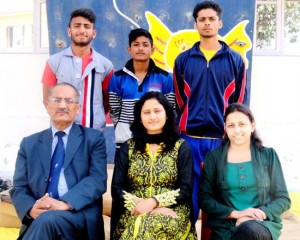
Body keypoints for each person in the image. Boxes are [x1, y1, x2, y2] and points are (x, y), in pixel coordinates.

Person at [173, 1, 249, 222]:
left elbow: (240, 104)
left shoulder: (235, 60)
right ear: (196, 24)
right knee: (189, 196)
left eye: (211, 19)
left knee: (220, 197)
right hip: (189, 139)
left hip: (221, 139)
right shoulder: (183, 60)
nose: (207, 23)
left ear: (220, 23)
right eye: (202, 20)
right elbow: (179, 101)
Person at [10, 83, 108, 240]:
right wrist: (31, 210)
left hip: (77, 214)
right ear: (47, 106)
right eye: (57, 100)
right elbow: (20, 186)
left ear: (78, 108)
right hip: (41, 215)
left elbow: (97, 180)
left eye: (69, 101)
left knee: (47, 220)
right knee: (45, 219)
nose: (62, 105)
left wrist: (66, 203)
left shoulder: (93, 139)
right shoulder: (29, 143)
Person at [199, 103, 291, 240]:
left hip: (261, 224)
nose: (236, 130)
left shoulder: (268, 155)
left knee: (248, 231)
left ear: (252, 126)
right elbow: (205, 198)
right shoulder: (214, 158)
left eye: (242, 124)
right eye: (231, 125)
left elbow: (283, 199)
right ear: (225, 128)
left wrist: (256, 215)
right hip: (226, 225)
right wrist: (236, 214)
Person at [111, 92, 196, 239]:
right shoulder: (128, 147)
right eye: (146, 112)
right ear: (140, 118)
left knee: (144, 226)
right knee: (140, 223)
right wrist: (142, 206)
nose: (152, 117)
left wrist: (154, 202)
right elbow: (117, 187)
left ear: (167, 114)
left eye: (157, 111)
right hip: (134, 211)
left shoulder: (181, 147)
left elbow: (186, 188)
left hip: (171, 212)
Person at [42, 8, 114, 132]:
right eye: (77, 26)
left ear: (94, 33)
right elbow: (47, 99)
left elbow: (107, 102)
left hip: (94, 134)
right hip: (62, 133)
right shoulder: (54, 62)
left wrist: (94, 116)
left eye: (87, 26)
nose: (82, 30)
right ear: (69, 31)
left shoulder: (105, 65)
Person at [108, 28, 175, 157]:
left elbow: (169, 110)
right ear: (129, 49)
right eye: (136, 45)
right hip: (125, 142)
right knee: (123, 177)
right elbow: (115, 111)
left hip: (156, 143)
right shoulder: (117, 78)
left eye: (145, 45)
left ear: (152, 49)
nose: (140, 49)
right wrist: (124, 129)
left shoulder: (165, 77)